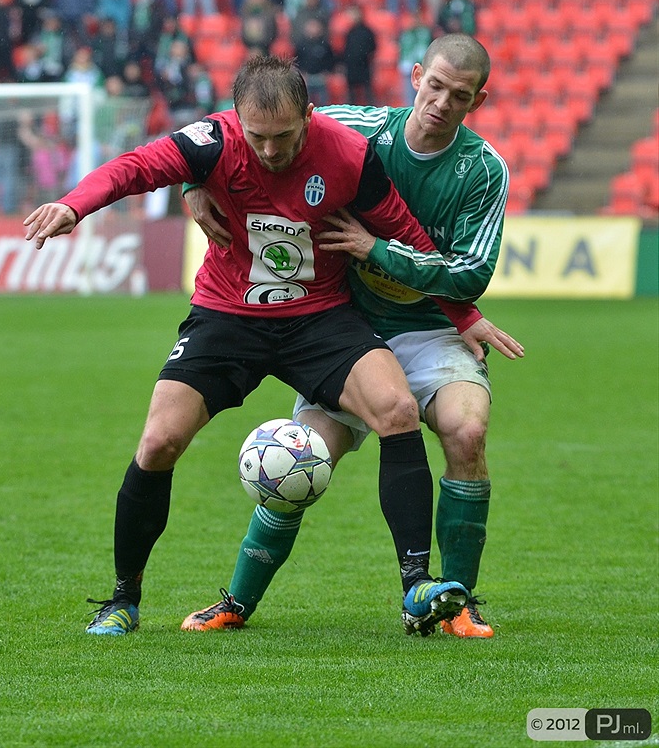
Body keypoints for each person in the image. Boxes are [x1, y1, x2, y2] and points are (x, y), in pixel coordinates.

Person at [23, 55, 507, 637]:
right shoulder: (210, 142)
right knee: (158, 442)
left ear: (309, 115)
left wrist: (464, 314)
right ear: (236, 118)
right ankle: (123, 599)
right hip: (228, 315)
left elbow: (406, 233)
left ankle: (416, 588)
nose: (272, 150)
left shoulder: (350, 153)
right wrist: (75, 205)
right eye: (257, 136)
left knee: (398, 411)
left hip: (319, 318)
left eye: (285, 136)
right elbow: (133, 167)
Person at [182, 35, 520, 638]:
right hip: (350, 334)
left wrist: (378, 250)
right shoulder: (353, 126)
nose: (442, 102)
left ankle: (456, 602)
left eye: (459, 95)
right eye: (435, 85)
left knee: (467, 433)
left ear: (478, 100)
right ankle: (236, 600)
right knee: (297, 462)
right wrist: (195, 183)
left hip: (433, 330)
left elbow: (472, 273)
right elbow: (246, 128)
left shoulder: (484, 171)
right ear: (416, 76)